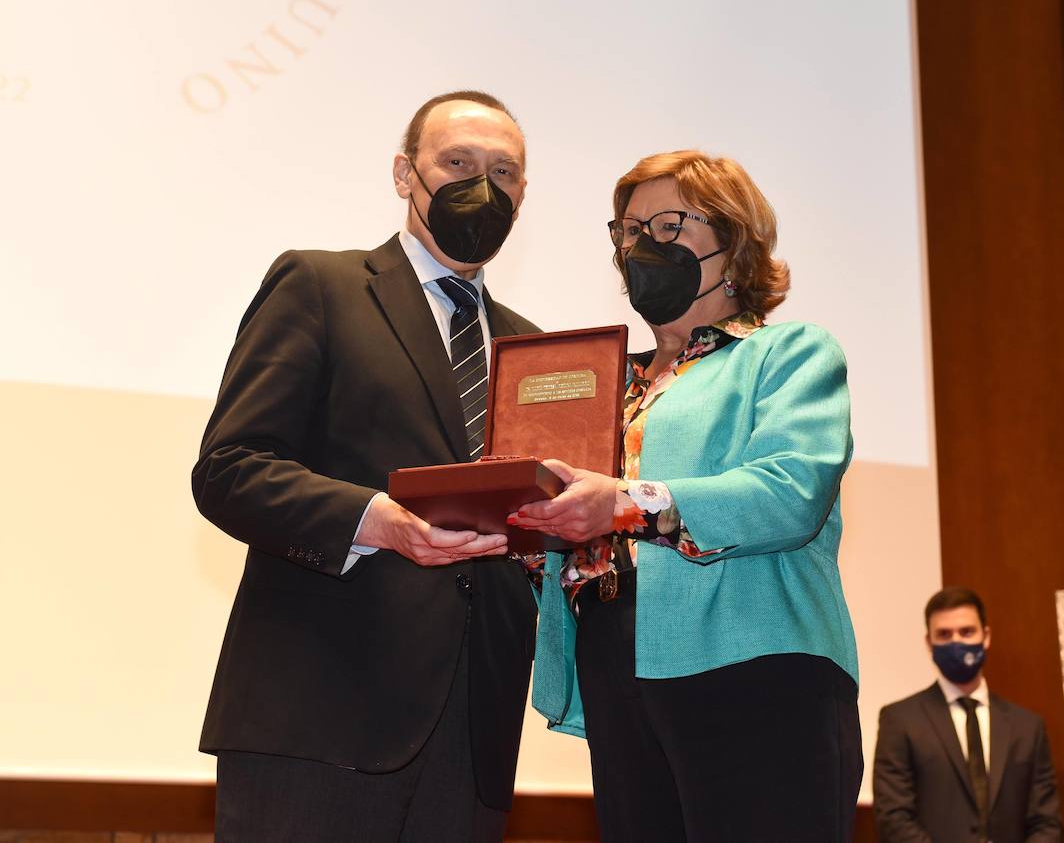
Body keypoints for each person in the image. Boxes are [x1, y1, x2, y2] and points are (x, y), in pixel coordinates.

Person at [192, 91, 540, 842]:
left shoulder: (532, 349)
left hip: (472, 733)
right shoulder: (321, 286)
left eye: (504, 171)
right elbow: (230, 468)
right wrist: (371, 521)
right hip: (320, 719)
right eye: (457, 162)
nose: (482, 185)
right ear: (403, 174)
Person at [508, 150, 862, 842]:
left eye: (669, 226)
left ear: (733, 243)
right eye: (629, 231)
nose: (644, 247)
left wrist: (623, 503)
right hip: (616, 666)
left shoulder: (787, 354)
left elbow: (790, 492)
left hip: (755, 670)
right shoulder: (605, 384)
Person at [873, 587, 1062, 843]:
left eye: (966, 632)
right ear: (929, 642)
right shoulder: (900, 720)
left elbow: (1046, 822)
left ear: (985, 636)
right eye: (944, 634)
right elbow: (894, 817)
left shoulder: (1028, 727)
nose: (956, 642)